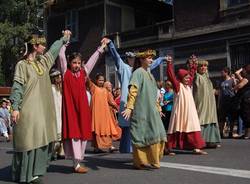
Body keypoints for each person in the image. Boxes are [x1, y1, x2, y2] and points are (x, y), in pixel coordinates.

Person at [9, 30, 71, 183]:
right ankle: (26, 175)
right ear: (35, 46)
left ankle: (36, 172)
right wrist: (15, 107)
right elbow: (17, 87)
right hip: (28, 110)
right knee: (29, 141)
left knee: (42, 139)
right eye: (42, 44)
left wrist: (63, 38)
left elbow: (54, 50)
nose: (44, 47)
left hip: (42, 111)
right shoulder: (22, 65)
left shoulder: (43, 62)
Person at [105, 38, 167, 153]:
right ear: (128, 60)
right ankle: (131, 149)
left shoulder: (142, 70)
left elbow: (153, 63)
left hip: (141, 103)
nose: (132, 60)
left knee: (138, 126)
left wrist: (162, 58)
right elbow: (115, 57)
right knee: (130, 127)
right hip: (129, 102)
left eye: (134, 58)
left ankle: (134, 149)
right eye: (130, 58)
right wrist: (110, 44)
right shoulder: (125, 69)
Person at [59, 40, 106, 173]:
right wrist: (64, 43)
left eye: (79, 63)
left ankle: (78, 162)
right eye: (74, 63)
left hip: (83, 108)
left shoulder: (84, 72)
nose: (77, 65)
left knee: (83, 134)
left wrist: (101, 48)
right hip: (71, 109)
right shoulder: (65, 73)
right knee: (74, 134)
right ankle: (76, 164)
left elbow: (92, 60)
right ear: (69, 63)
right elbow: (61, 57)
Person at [122, 49, 166, 169]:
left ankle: (153, 159)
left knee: (157, 133)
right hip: (141, 111)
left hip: (152, 111)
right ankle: (140, 161)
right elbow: (133, 90)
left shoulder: (150, 75)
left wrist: (158, 108)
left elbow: (153, 94)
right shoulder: (138, 72)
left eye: (152, 57)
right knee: (141, 134)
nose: (151, 60)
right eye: (148, 57)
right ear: (141, 59)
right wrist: (130, 107)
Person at [166, 55, 207, 155]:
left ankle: (196, 147)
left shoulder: (188, 85)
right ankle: (168, 149)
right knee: (176, 127)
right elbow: (171, 75)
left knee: (193, 125)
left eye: (188, 78)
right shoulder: (177, 85)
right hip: (180, 111)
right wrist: (169, 64)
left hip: (189, 111)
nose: (188, 79)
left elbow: (192, 74)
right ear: (181, 78)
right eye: (186, 77)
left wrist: (193, 64)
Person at [89, 74, 121, 153]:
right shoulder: (93, 88)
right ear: (96, 80)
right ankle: (96, 148)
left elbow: (111, 102)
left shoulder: (106, 91)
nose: (101, 82)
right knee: (97, 131)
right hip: (96, 115)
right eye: (100, 80)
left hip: (105, 115)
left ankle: (110, 146)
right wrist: (85, 71)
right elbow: (87, 81)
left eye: (102, 80)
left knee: (108, 130)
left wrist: (118, 108)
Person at [193, 60, 221, 147]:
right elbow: (192, 74)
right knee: (202, 118)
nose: (203, 68)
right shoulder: (197, 76)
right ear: (197, 68)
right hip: (201, 103)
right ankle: (200, 141)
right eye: (201, 66)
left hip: (210, 103)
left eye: (205, 66)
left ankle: (211, 141)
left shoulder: (206, 77)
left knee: (211, 119)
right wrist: (193, 64)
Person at [49, 69, 64, 160]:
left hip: (61, 111)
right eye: (58, 76)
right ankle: (52, 152)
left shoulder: (61, 88)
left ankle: (60, 150)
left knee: (61, 132)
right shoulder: (50, 88)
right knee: (56, 132)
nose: (60, 78)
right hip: (54, 112)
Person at [217, 67, 236, 138]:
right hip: (222, 102)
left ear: (226, 72)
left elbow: (236, 89)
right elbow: (220, 93)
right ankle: (221, 133)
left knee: (231, 118)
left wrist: (234, 80)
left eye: (222, 72)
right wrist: (218, 103)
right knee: (222, 118)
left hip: (230, 101)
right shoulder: (221, 81)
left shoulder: (232, 80)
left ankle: (231, 132)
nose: (221, 73)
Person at [233, 64, 250, 139]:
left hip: (246, 99)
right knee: (244, 115)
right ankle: (246, 133)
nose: (243, 70)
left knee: (246, 116)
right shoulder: (245, 77)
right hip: (244, 99)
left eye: (245, 69)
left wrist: (234, 88)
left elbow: (240, 85)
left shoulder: (248, 77)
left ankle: (247, 134)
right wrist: (242, 68)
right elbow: (236, 73)